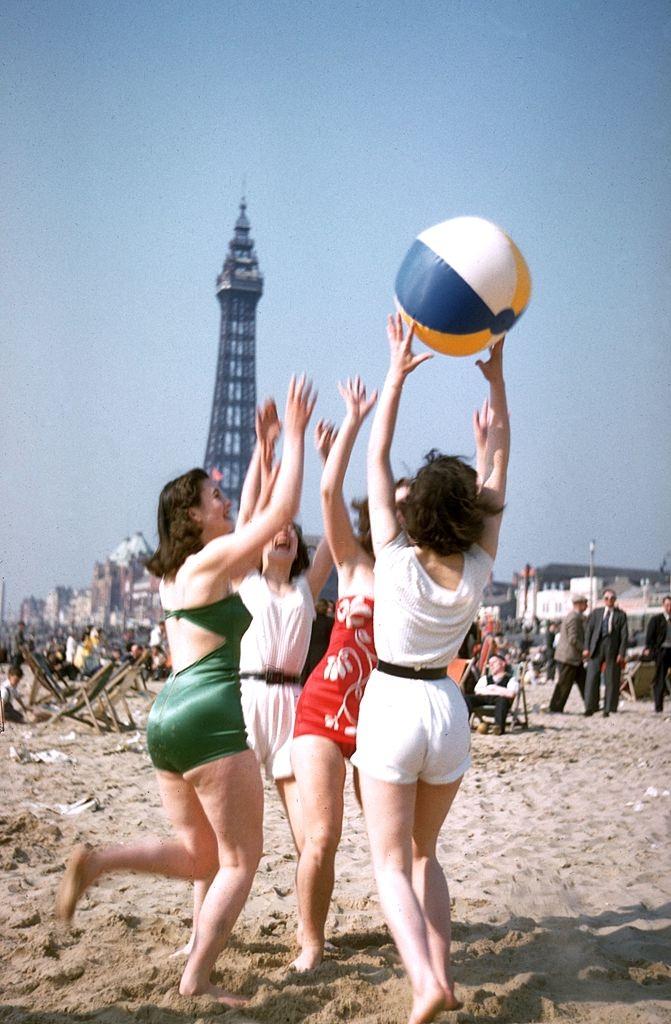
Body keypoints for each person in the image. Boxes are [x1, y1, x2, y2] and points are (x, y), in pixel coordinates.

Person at [55, 375, 315, 1007]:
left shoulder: (180, 571)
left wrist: (265, 448)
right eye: (213, 495)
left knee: (200, 856)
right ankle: (196, 975)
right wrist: (300, 438)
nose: (224, 499)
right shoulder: (206, 565)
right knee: (240, 860)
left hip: (167, 713)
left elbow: (253, 521)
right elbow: (275, 518)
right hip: (209, 710)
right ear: (192, 515)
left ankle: (98, 863)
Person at [352, 314, 509, 1024]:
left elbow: (375, 458)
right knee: (424, 855)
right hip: (448, 711)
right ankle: (439, 968)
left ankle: (424, 980)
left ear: (417, 510)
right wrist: (495, 385)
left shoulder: (392, 558)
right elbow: (499, 466)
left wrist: (393, 372)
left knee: (387, 862)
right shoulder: (476, 566)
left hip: (389, 702)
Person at [172, 399, 332, 960]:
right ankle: (199, 935)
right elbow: (252, 517)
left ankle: (308, 940)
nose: (282, 533)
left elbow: (332, 534)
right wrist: (264, 450)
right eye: (275, 531)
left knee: (307, 836)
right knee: (222, 843)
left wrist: (328, 463)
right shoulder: (242, 578)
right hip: (242, 700)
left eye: (291, 531)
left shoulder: (309, 587)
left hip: (291, 704)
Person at [291, 376, 378, 971]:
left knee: (394, 845)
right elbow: (328, 493)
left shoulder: (423, 585)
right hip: (322, 710)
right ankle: (311, 942)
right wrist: (353, 422)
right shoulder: (355, 565)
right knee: (323, 837)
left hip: (382, 721)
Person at [584, 588, 629, 717]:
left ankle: (608, 708)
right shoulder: (596, 613)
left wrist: (621, 652)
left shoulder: (621, 615)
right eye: (607, 598)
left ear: (615, 600)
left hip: (612, 648)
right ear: (603, 600)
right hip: (596, 647)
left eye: (612, 598)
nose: (609, 601)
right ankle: (590, 707)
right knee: (592, 677)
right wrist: (586, 648)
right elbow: (589, 631)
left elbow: (624, 635)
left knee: (611, 678)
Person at [549, 595, 588, 712]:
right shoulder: (574, 618)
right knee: (564, 684)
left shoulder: (575, 617)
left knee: (584, 682)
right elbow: (573, 639)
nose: (586, 606)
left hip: (573, 657)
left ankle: (591, 704)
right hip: (569, 657)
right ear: (579, 604)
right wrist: (584, 649)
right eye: (585, 603)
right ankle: (555, 707)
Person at [464, 653, 518, 734]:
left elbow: (511, 694)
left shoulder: (511, 679)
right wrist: (497, 690)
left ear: (503, 663)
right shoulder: (485, 678)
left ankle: (498, 728)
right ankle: (463, 725)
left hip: (500, 700)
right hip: (484, 699)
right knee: (467, 698)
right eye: (490, 663)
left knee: (502, 700)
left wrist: (494, 688)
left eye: (494, 662)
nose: (491, 665)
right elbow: (478, 690)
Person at [643, 595, 671, 713]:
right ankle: (658, 707)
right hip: (662, 652)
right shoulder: (656, 619)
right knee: (660, 679)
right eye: (667, 605)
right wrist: (650, 649)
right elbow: (649, 638)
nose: (669, 608)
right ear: (663, 606)